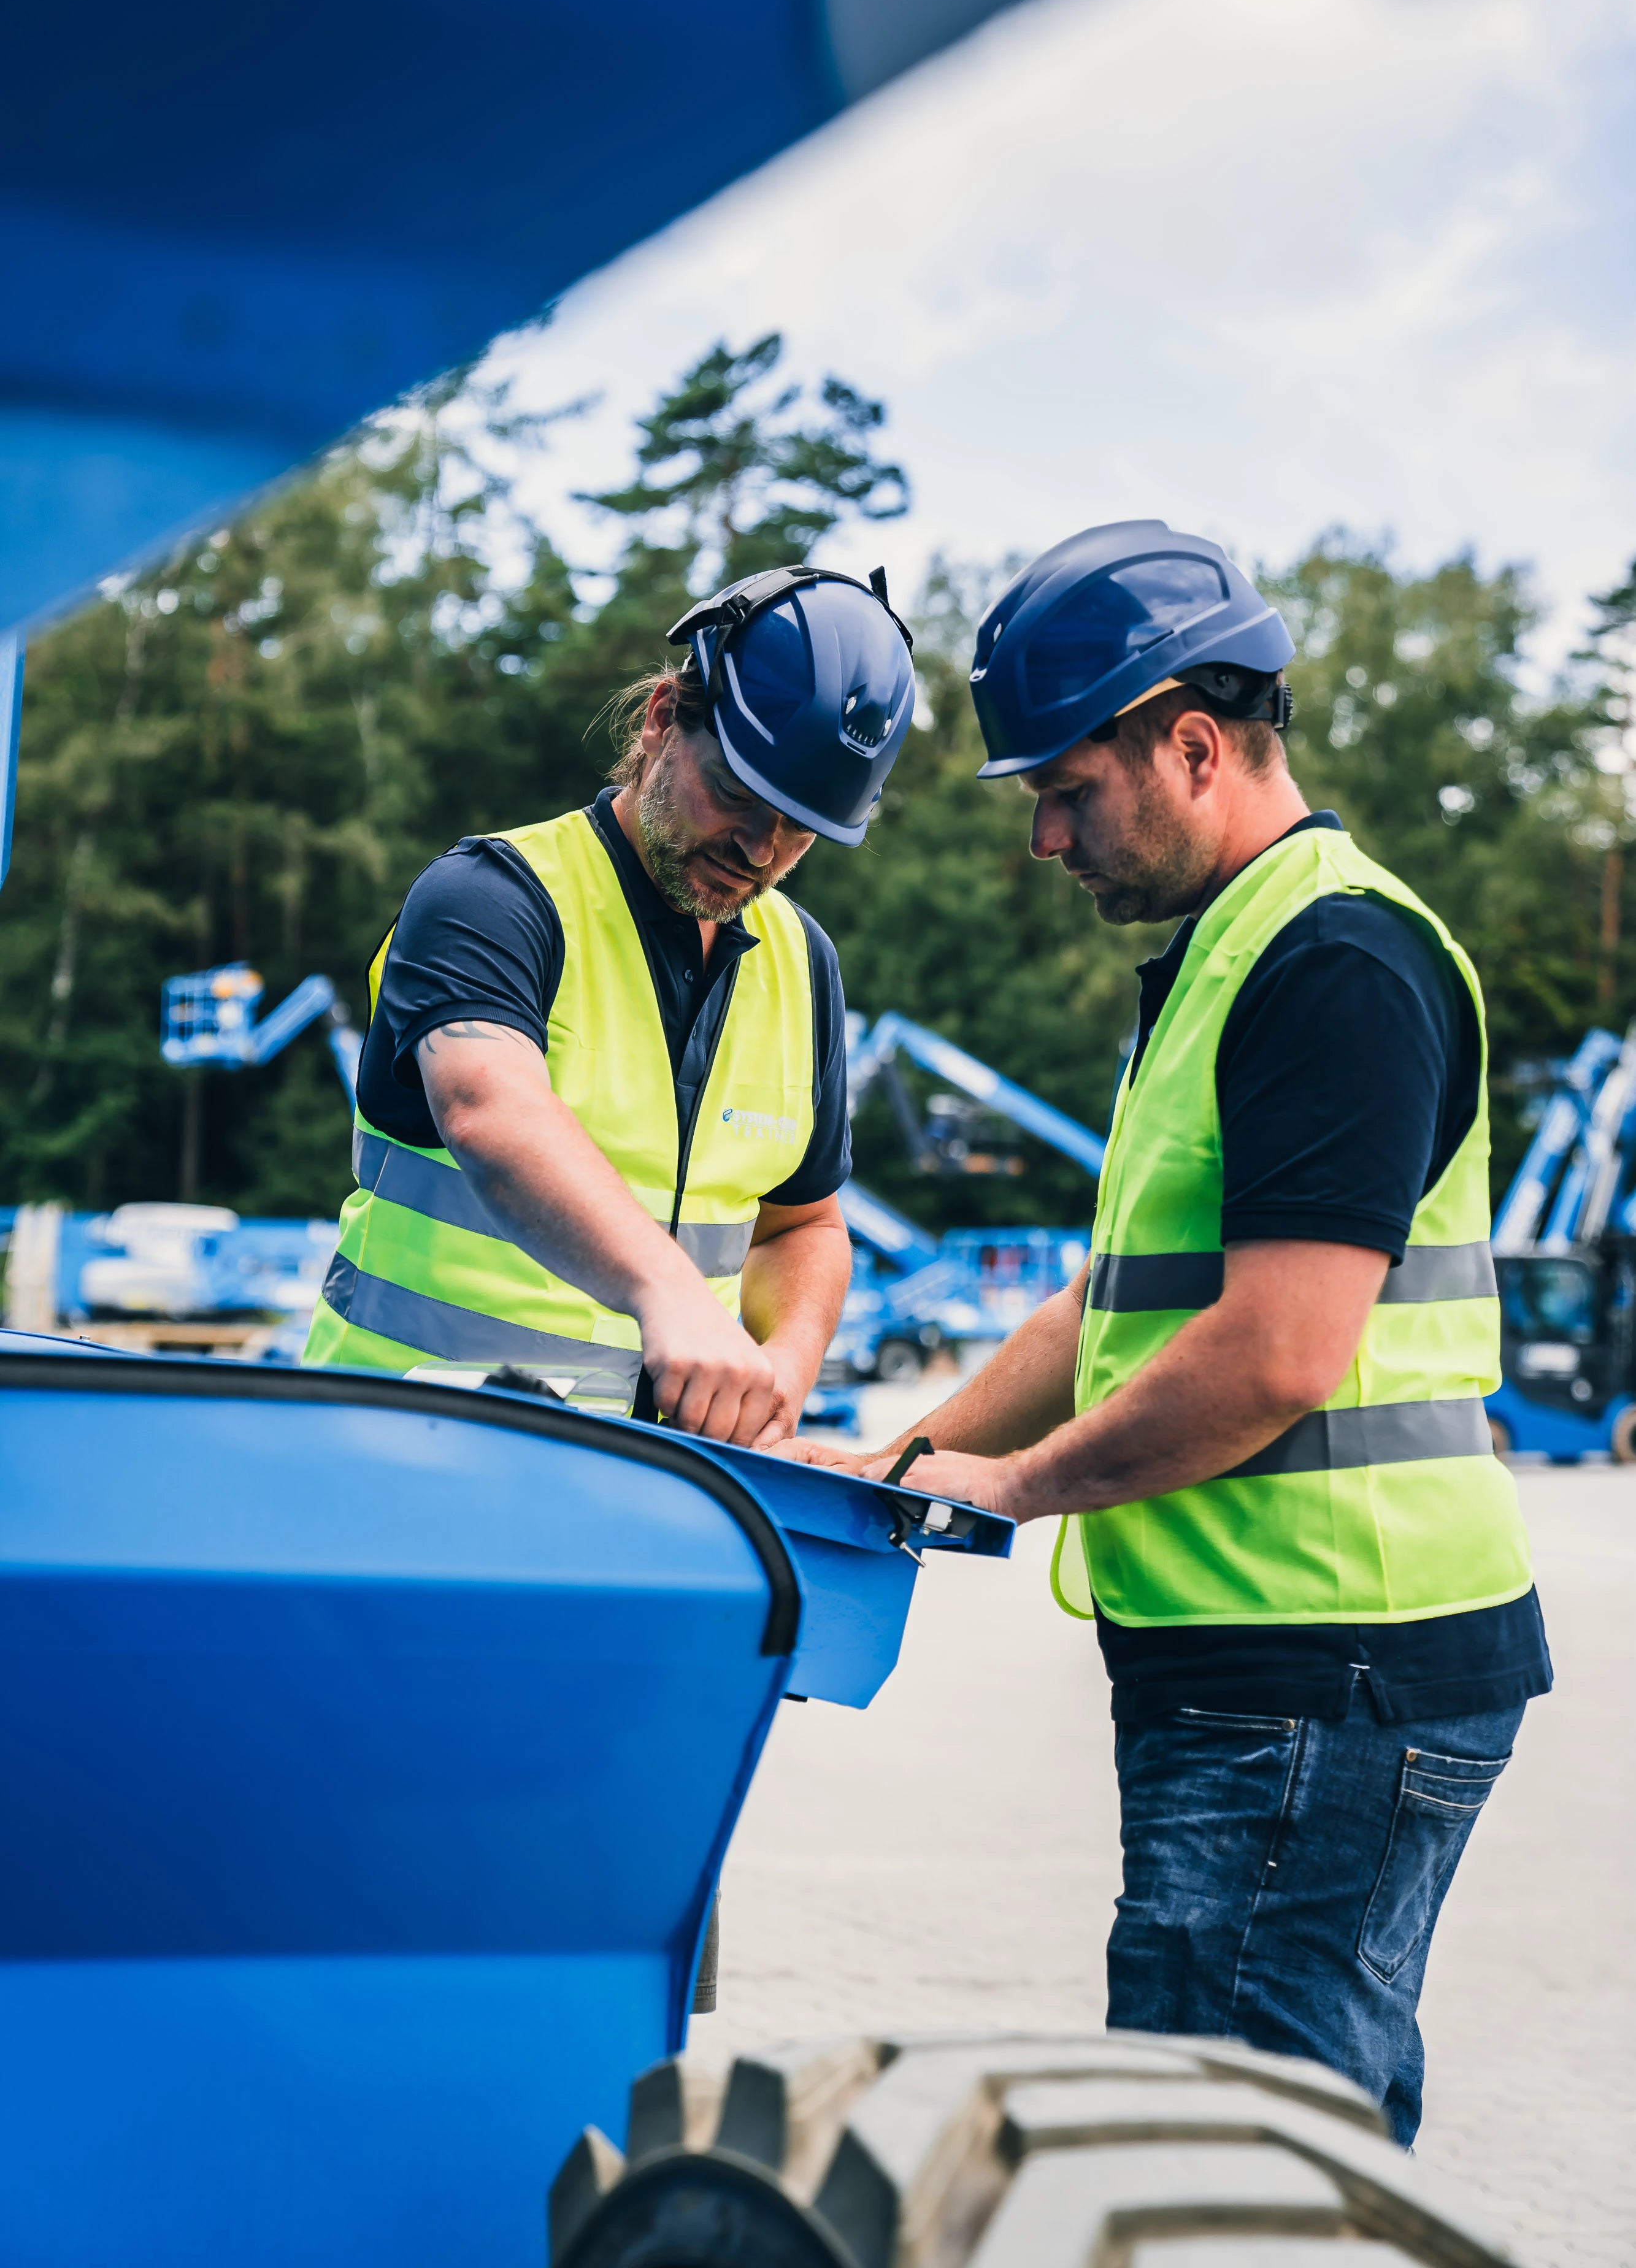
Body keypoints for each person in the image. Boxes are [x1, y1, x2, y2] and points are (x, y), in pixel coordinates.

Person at [792, 519, 1551, 2144]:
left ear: (1191, 746)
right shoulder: (1231, 955)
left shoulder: (1331, 961)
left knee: (1223, 2156)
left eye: (1065, 789)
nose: (1045, 836)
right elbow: (1114, 1305)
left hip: (1328, 1661)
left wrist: (1026, 1485)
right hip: (1293, 1660)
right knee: (1297, 2145)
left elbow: (1277, 1350)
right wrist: (915, 1457)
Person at [304, 562, 916, 1445]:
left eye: (799, 827)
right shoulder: (492, 897)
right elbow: (489, 1111)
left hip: (640, 1492)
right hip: (396, 1463)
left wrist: (787, 1360)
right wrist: (671, 1296)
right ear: (664, 719)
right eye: (738, 795)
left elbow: (804, 1225)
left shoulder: (803, 964)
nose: (759, 847)